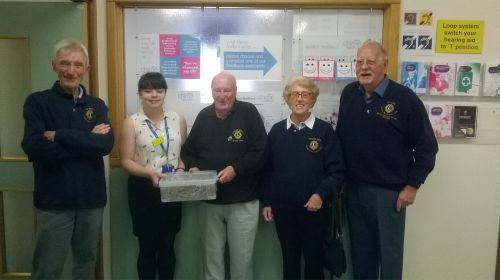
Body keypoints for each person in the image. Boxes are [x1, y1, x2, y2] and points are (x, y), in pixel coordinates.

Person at [336, 40, 438, 280]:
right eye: (359, 62)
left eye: (370, 62)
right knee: (361, 257)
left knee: (390, 258)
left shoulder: (404, 99)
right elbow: (341, 139)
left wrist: (412, 186)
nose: (364, 67)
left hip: (390, 195)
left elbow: (427, 148)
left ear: (385, 64)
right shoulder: (349, 94)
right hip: (354, 191)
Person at [21, 38, 114, 280]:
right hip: (53, 202)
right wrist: (86, 141)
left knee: (85, 265)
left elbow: (104, 145)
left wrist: (58, 135)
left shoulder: (96, 105)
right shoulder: (38, 102)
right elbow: (34, 147)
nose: (71, 70)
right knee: (48, 269)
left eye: (77, 64)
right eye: (65, 63)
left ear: (86, 69)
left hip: (90, 201)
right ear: (54, 66)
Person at [181, 71, 267, 280]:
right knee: (212, 261)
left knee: (242, 262)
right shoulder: (204, 116)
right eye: (217, 90)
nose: (222, 95)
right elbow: (188, 151)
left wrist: (235, 169)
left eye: (227, 90)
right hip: (209, 202)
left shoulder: (248, 112)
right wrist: (192, 167)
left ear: (235, 92)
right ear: (211, 92)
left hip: (243, 201)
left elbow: (261, 151)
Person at [261, 76, 344, 280]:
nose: (299, 99)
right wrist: (268, 202)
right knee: (289, 261)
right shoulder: (277, 131)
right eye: (295, 94)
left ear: (312, 100)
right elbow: (267, 170)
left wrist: (320, 195)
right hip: (284, 210)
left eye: (305, 95)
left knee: (314, 262)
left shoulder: (324, 131)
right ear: (288, 99)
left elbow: (337, 171)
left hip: (315, 210)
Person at [120, 72, 187, 280]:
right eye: (148, 90)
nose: (154, 95)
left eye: (159, 90)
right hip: (143, 190)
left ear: (165, 92)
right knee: (147, 246)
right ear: (140, 94)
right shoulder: (132, 122)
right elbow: (126, 160)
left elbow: (180, 152)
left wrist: (181, 169)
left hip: (172, 187)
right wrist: (150, 173)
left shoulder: (177, 119)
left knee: (168, 244)